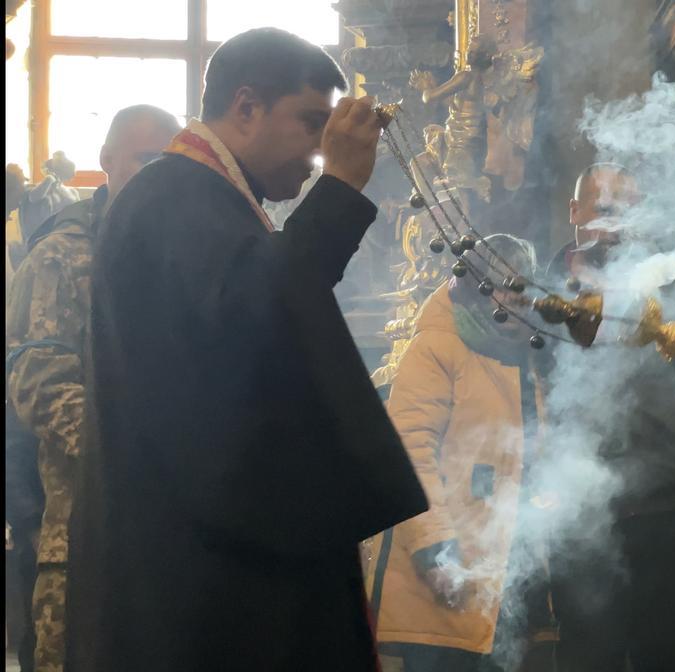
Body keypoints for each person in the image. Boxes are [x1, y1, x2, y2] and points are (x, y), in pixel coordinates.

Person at [65, 28, 427, 672]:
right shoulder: (175, 194)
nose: (319, 151)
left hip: (197, 552)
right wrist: (341, 186)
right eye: (310, 123)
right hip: (196, 570)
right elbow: (260, 315)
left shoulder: (208, 199)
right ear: (246, 106)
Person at [545, 163, 675, 672]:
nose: (619, 223)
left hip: (670, 510)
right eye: (605, 209)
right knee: (589, 656)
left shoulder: (672, 288)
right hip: (582, 515)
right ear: (575, 211)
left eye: (631, 211)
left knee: (671, 655)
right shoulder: (540, 291)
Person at [6, 104, 180, 672]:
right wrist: (143, 457)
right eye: (145, 160)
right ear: (106, 161)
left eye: (170, 165)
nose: (158, 177)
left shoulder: (184, 250)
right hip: (87, 528)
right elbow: (39, 385)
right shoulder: (62, 254)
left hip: (177, 537)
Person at [367, 234, 551, 672]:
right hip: (445, 568)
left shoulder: (526, 354)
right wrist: (435, 552)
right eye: (502, 285)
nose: (514, 299)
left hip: (504, 567)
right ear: (474, 284)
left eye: (522, 287)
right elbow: (409, 452)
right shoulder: (436, 346)